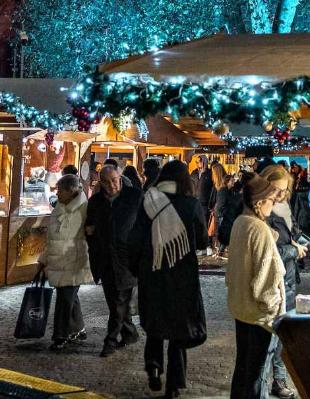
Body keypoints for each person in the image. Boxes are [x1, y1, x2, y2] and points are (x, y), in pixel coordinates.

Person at [129, 160, 208, 399]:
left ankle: (153, 367)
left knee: (155, 324)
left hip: (152, 273)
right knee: (178, 329)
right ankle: (173, 385)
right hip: (182, 275)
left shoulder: (148, 201)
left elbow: (135, 240)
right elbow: (203, 241)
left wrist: (138, 270)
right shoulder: (191, 205)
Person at [226, 173, 285, 399]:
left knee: (243, 368)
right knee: (255, 374)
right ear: (260, 202)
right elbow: (265, 277)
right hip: (258, 315)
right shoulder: (257, 229)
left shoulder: (241, 222)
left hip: (241, 308)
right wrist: (272, 309)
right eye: (271, 200)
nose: (274, 204)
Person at [85, 164, 142, 356]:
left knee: (119, 301)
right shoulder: (95, 202)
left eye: (115, 180)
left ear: (120, 178)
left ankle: (109, 341)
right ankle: (130, 333)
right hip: (104, 259)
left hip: (127, 259)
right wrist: (90, 232)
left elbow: (144, 224)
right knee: (115, 302)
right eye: (107, 182)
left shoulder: (134, 197)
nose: (112, 185)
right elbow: (89, 226)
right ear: (101, 183)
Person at [261, 164, 307, 399]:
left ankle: (278, 380)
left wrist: (297, 239)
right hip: (275, 279)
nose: (281, 194)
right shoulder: (262, 212)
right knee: (271, 338)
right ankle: (265, 384)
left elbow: (291, 232)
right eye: (277, 189)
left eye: (284, 190)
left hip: (289, 278)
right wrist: (293, 250)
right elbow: (270, 252)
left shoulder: (283, 207)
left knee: (282, 337)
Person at [37, 174, 92, 351]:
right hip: (58, 260)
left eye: (60, 190)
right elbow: (53, 238)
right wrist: (44, 259)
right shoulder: (59, 207)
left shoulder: (85, 208)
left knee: (64, 299)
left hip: (73, 260)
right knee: (69, 296)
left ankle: (60, 336)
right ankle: (78, 329)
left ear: (71, 191)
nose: (57, 193)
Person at [216, 174, 242, 254]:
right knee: (224, 233)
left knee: (226, 233)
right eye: (231, 180)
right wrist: (224, 214)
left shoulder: (229, 191)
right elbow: (221, 205)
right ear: (227, 182)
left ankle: (221, 250)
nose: (233, 181)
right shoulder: (223, 191)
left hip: (227, 216)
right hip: (224, 216)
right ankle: (221, 250)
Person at [208, 161, 227, 252]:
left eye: (213, 173)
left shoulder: (222, 187)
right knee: (217, 233)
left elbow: (221, 202)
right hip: (218, 212)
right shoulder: (218, 185)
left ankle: (220, 250)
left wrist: (216, 211)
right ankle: (219, 250)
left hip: (220, 213)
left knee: (219, 233)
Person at [190, 155, 213, 225]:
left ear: (204, 162)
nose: (197, 163)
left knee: (203, 223)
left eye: (199, 161)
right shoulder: (194, 173)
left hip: (205, 204)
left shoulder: (209, 173)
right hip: (194, 202)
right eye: (196, 162)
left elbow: (212, 188)